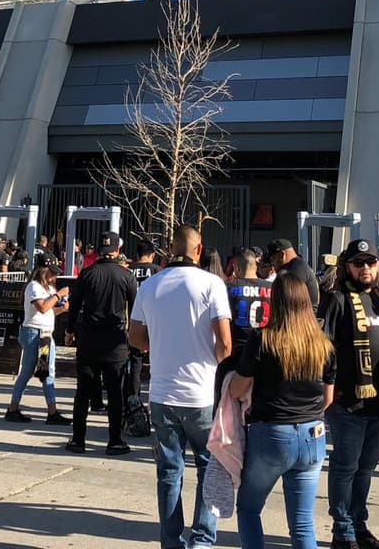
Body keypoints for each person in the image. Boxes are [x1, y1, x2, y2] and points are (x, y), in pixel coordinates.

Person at [128, 225, 232, 549]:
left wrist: (157, 347)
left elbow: (134, 337)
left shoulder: (150, 285)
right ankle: (202, 539)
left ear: (170, 248)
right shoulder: (212, 284)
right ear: (199, 249)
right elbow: (226, 344)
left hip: (161, 393)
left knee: (169, 473)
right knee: (209, 467)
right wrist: (209, 361)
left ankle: (170, 542)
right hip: (200, 393)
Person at [229, 273, 335, 549]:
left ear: (275, 302)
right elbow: (328, 398)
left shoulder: (263, 340)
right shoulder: (323, 345)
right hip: (313, 433)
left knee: (249, 509)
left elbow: (237, 390)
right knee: (302, 525)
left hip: (272, 432)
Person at [318, 238, 379, 549]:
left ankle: (359, 524)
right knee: (345, 467)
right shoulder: (336, 300)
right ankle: (342, 530)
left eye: (370, 262)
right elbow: (323, 348)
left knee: (365, 469)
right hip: (348, 403)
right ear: (346, 267)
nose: (365, 268)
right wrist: (328, 390)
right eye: (358, 263)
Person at [66, 232, 138, 455]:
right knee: (115, 393)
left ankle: (78, 439)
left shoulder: (87, 273)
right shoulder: (127, 276)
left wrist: (69, 330)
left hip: (89, 340)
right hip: (115, 342)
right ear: (117, 251)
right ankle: (114, 440)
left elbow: (74, 304)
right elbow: (136, 309)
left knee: (83, 392)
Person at [5, 260, 71, 425]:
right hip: (36, 333)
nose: (54, 276)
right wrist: (58, 296)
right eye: (52, 273)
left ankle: (19, 408)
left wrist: (61, 308)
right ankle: (49, 411)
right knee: (37, 370)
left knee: (43, 371)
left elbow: (46, 312)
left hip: (44, 334)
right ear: (43, 271)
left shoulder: (48, 288)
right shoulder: (34, 286)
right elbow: (42, 307)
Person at [267, 238, 319, 307]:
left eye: (273, 258)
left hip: (302, 315)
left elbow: (290, 301)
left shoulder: (296, 268)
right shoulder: (297, 265)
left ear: (282, 255)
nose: (272, 263)